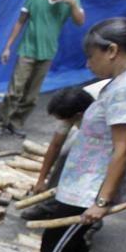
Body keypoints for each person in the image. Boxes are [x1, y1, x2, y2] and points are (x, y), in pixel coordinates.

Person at [0, 18, 126, 252]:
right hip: (83, 180)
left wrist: (101, 201)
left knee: (56, 242)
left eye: (92, 56)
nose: (88, 63)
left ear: (111, 50)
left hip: (90, 188)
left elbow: (123, 149)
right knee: (72, 242)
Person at [0, 0, 85, 138]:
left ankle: (16, 123)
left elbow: (80, 21)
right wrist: (7, 47)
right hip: (28, 50)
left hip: (48, 52)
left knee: (32, 96)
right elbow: (20, 21)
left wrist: (73, 4)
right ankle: (1, 123)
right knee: (14, 91)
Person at [19, 86, 95, 221]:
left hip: (118, 133)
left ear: (78, 115)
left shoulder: (107, 112)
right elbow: (55, 145)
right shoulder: (72, 104)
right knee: (66, 154)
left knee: (94, 169)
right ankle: (48, 205)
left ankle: (91, 215)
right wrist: (41, 179)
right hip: (88, 118)